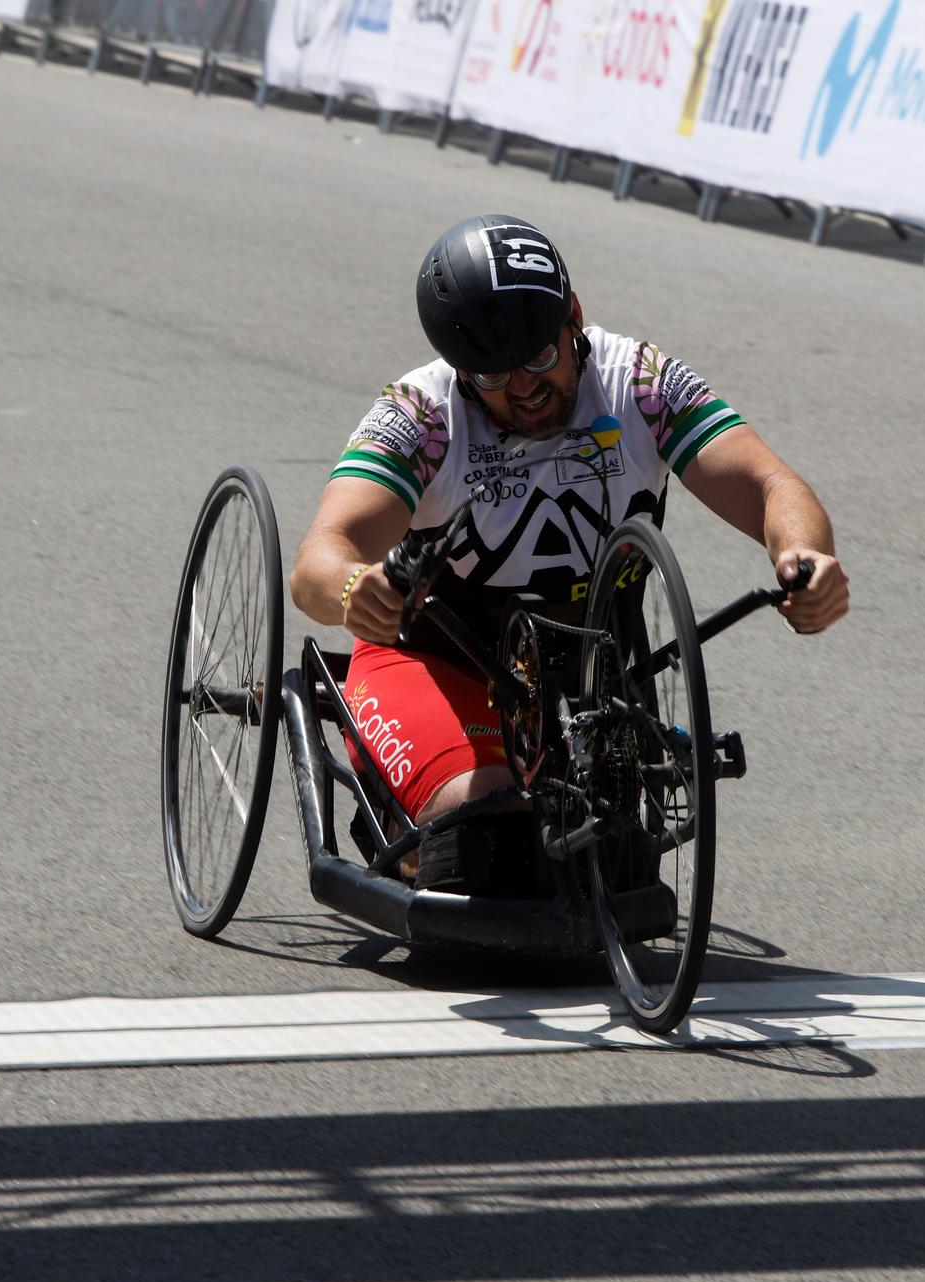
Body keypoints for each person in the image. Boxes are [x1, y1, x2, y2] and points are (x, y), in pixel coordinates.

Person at [288, 213, 849, 842]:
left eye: (538, 357)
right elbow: (318, 559)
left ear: (574, 316)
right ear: (458, 367)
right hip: (435, 662)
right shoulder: (421, 413)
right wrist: (351, 588)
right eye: (493, 376)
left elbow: (770, 485)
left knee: (601, 848)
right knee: (490, 831)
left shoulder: (639, 382)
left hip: (585, 683)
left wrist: (806, 556)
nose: (524, 389)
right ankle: (393, 791)